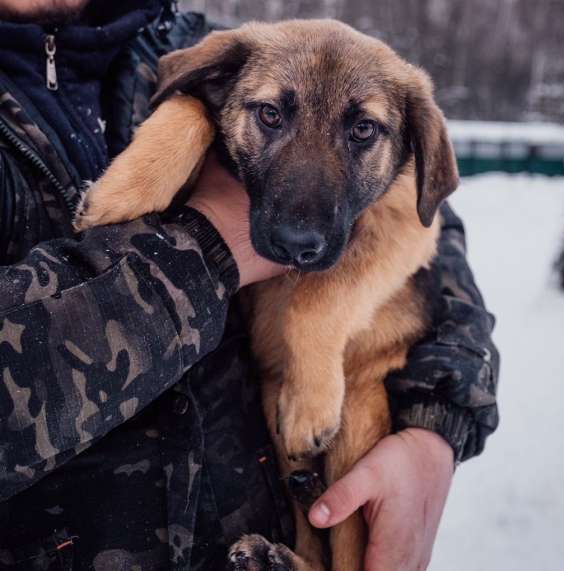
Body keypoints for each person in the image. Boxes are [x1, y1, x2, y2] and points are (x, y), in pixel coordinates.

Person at [0, 1, 500, 570]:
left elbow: (432, 221)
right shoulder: (219, 64)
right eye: (270, 117)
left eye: (362, 129)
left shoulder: (179, 41)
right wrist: (212, 244)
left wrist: (434, 429)